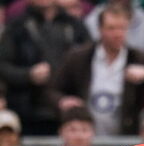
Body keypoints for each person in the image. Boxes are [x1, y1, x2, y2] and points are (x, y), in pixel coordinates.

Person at [49, 4, 144, 136]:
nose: (117, 34)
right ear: (100, 29)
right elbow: (52, 90)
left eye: (122, 28)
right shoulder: (80, 57)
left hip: (125, 137)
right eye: (111, 28)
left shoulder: (137, 57)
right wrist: (62, 101)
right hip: (86, 137)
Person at [0, 0, 90, 134]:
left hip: (68, 113)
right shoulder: (16, 26)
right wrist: (28, 75)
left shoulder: (75, 26)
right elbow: (3, 66)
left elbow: (90, 63)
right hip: (27, 112)